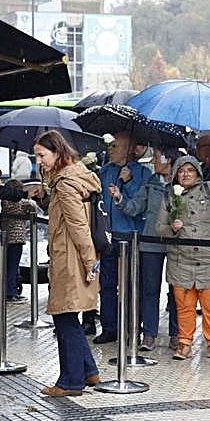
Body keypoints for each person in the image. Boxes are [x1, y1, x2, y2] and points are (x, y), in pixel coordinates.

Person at [31, 131, 101, 396]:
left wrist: (88, 262)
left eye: (42, 155)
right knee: (69, 314)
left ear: (57, 153)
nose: (39, 161)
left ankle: (70, 381)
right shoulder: (77, 175)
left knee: (64, 316)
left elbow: (78, 225)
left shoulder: (65, 183)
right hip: (73, 255)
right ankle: (88, 370)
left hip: (70, 258)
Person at [156, 156, 210, 361]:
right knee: (184, 306)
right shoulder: (169, 195)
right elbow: (159, 227)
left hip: (209, 260)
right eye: (181, 170)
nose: (186, 174)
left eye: (190, 170)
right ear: (175, 174)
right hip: (181, 262)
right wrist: (172, 229)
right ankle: (184, 343)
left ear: (198, 172)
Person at [111, 147, 178, 350]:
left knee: (177, 290)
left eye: (158, 157)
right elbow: (134, 207)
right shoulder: (151, 184)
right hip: (150, 242)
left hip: (176, 243)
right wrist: (119, 197)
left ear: (169, 160)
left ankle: (177, 333)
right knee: (149, 289)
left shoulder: (182, 184)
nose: (155, 161)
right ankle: (149, 334)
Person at [96, 131, 151, 345]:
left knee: (130, 285)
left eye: (115, 146)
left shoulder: (143, 173)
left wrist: (126, 184)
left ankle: (131, 327)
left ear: (129, 149)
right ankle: (109, 327)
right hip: (108, 235)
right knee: (107, 283)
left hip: (130, 237)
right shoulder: (106, 171)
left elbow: (139, 205)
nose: (111, 150)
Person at [0, 166, 29, 304]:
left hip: (6, 238)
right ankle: (10, 293)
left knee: (8, 267)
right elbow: (32, 206)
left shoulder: (5, 201)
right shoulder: (21, 203)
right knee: (13, 267)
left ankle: (9, 291)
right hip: (16, 240)